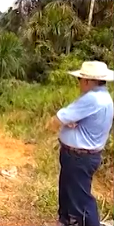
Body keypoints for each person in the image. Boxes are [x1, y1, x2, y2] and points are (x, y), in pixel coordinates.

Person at [46, 61, 114, 226]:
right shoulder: (105, 98)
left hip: (79, 157)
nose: (79, 83)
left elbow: (58, 119)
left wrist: (51, 125)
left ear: (88, 81)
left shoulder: (92, 98)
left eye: (80, 80)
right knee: (70, 193)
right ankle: (66, 221)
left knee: (81, 201)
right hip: (84, 156)